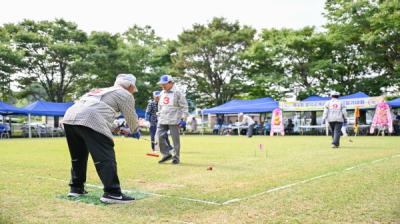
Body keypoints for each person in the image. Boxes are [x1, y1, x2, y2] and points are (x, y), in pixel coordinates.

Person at [61, 74, 140, 204]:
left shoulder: (101, 91)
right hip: (90, 118)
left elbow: (100, 111)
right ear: (130, 86)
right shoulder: (125, 94)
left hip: (70, 117)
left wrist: (115, 128)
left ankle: (76, 188)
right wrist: (134, 130)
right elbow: (131, 117)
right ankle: (112, 193)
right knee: (105, 156)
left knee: (78, 156)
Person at [157, 74, 189, 164]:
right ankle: (166, 154)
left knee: (175, 140)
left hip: (174, 119)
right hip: (162, 118)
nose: (162, 86)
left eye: (164, 84)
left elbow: (184, 106)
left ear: (171, 83)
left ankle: (176, 157)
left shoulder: (178, 93)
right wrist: (159, 114)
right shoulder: (162, 93)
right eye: (161, 84)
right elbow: (160, 106)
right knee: (158, 137)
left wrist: (183, 119)